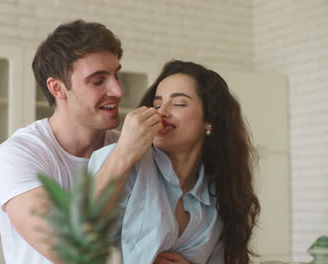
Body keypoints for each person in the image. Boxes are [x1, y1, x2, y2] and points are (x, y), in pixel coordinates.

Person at [0, 19, 163, 264]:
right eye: (97, 80)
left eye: (116, 75)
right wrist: (123, 155)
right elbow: (63, 247)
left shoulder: (129, 148)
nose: (118, 90)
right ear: (58, 88)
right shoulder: (19, 154)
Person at [88, 60, 261, 264]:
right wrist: (124, 154)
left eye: (179, 103)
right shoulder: (120, 161)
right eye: (157, 104)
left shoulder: (220, 193)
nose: (161, 112)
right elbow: (76, 237)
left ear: (209, 120)